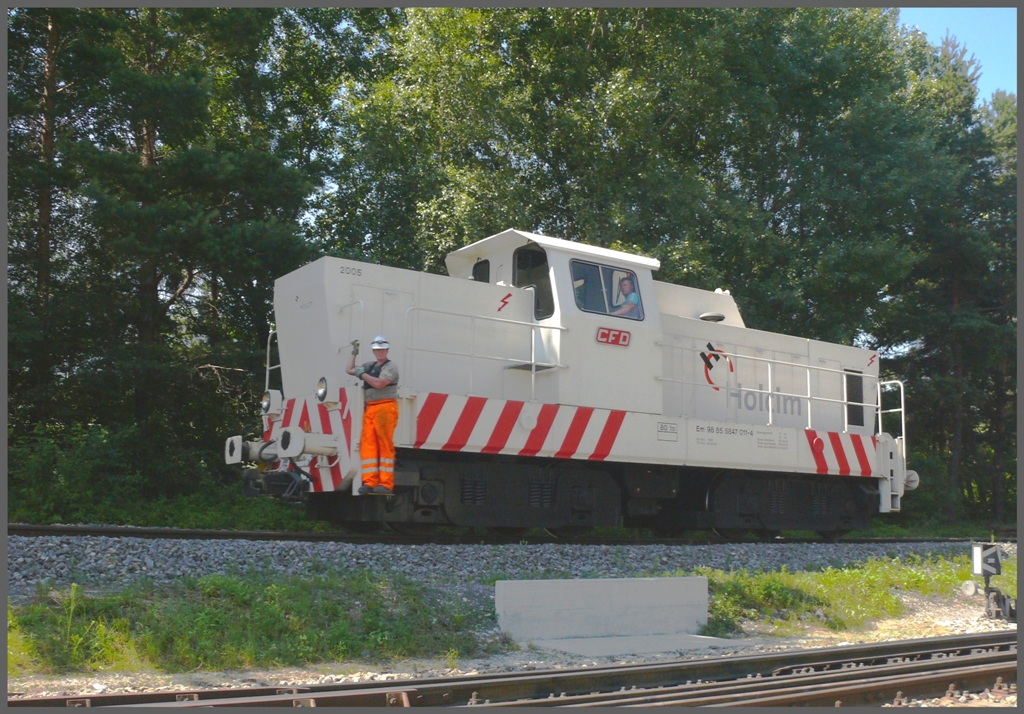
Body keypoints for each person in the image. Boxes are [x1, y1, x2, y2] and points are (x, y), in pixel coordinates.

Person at [346, 335, 400, 495]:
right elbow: (349, 370)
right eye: (377, 350)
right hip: (371, 408)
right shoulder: (369, 366)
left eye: (382, 349)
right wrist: (354, 353)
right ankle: (370, 482)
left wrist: (362, 374)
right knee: (368, 445)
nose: (380, 352)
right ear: (373, 351)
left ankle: (386, 484)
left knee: (384, 445)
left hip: (385, 407)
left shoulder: (391, 367)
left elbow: (379, 384)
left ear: (387, 350)